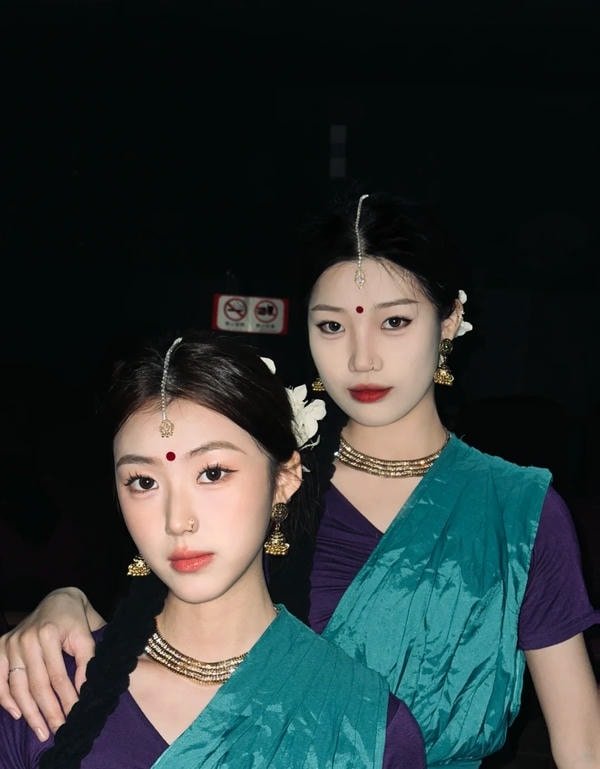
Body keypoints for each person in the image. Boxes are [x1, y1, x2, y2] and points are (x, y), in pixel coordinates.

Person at [2, 192, 599, 768]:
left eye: (394, 321)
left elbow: (583, 751)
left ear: (451, 321)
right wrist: (66, 605)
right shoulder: (256, 481)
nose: (362, 359)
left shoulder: (517, 512)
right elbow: (168, 625)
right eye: (332, 326)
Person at [0, 331, 425, 768]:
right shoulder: (43, 692)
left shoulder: (365, 725)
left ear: (284, 478)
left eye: (213, 473)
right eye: (144, 482)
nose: (177, 520)